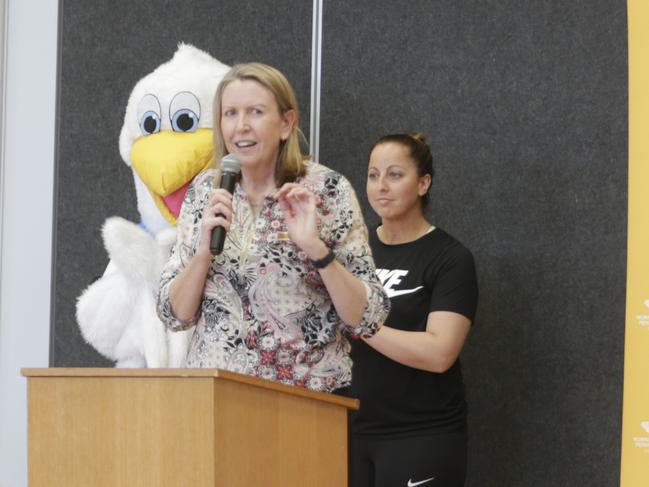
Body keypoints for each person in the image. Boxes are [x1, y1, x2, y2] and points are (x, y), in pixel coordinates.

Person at [156, 62, 389, 393]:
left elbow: (369, 317)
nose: (241, 127)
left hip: (304, 401)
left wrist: (316, 250)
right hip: (213, 400)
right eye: (230, 114)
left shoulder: (326, 191)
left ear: (286, 123)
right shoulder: (206, 191)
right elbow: (173, 314)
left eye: (255, 112)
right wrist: (203, 254)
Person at [349, 133, 478, 487]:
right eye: (373, 175)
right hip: (350, 430)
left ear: (423, 183)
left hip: (421, 434)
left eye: (395, 174)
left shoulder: (450, 259)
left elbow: (440, 353)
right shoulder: (353, 252)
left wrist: (364, 325)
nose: (381, 187)